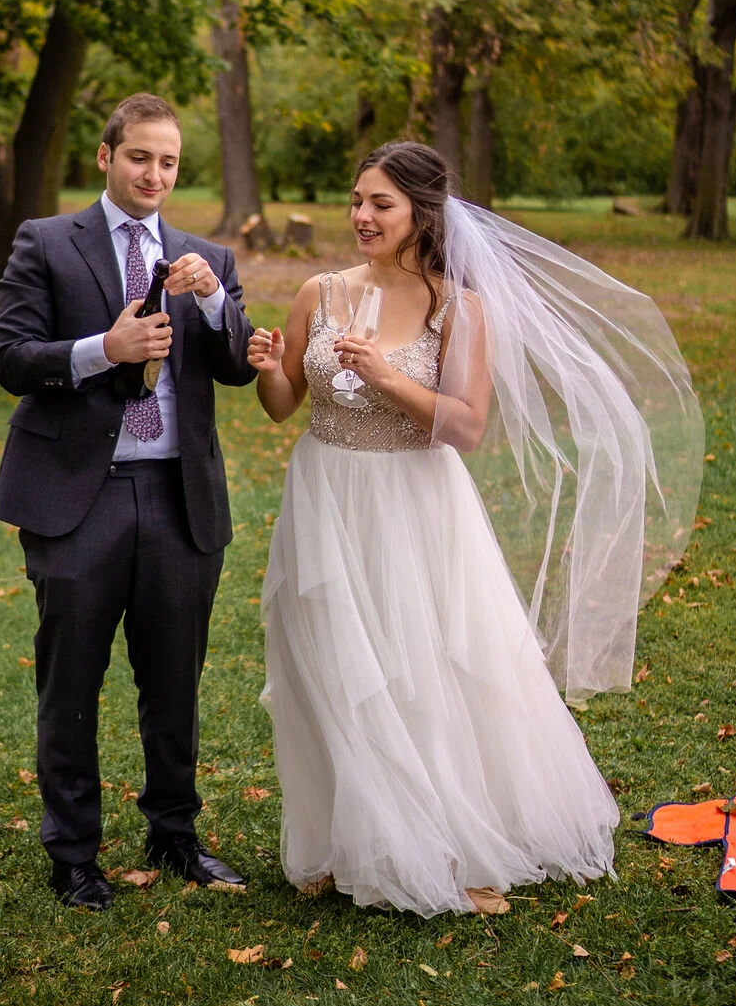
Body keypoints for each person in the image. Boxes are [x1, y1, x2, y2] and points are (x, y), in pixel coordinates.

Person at [247, 141, 702, 917]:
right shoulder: (319, 291)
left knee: (417, 668)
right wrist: (267, 368)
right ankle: (345, 837)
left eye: (380, 204)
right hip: (325, 495)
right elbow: (285, 404)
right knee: (329, 662)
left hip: (413, 503)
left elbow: (465, 426)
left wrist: (386, 375)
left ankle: (452, 843)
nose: (361, 216)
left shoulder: (457, 307)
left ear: (422, 213)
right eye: (356, 201)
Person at [0, 93, 257, 911]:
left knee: (174, 682)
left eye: (168, 162)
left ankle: (174, 834)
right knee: (71, 683)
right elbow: (12, 357)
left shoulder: (204, 257)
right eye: (140, 156)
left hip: (180, 496)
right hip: (80, 494)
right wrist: (102, 349)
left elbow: (237, 366)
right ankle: (73, 853)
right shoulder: (47, 241)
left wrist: (213, 302)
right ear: (107, 156)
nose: (154, 174)